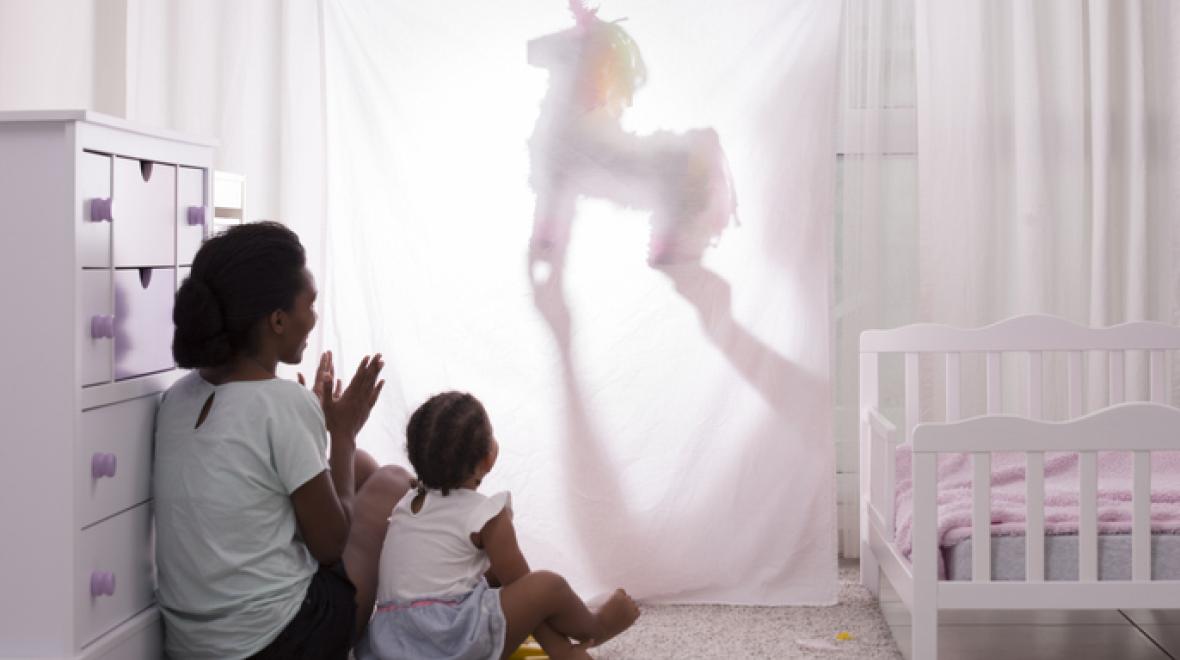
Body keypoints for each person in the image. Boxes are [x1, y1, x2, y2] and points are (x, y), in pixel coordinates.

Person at [153, 221, 413, 660]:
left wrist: (325, 438)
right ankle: (440, 609)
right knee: (388, 480)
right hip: (279, 642)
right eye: (309, 304)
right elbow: (330, 547)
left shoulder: (178, 397)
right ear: (276, 320)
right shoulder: (282, 403)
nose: (313, 317)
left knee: (362, 465)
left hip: (193, 646)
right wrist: (342, 435)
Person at [356, 391, 640, 660]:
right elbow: (523, 587)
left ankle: (570, 642)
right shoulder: (486, 514)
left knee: (490, 576)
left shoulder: (406, 504)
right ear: (488, 459)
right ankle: (594, 627)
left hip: (395, 642)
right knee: (546, 586)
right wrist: (561, 650)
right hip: (448, 642)